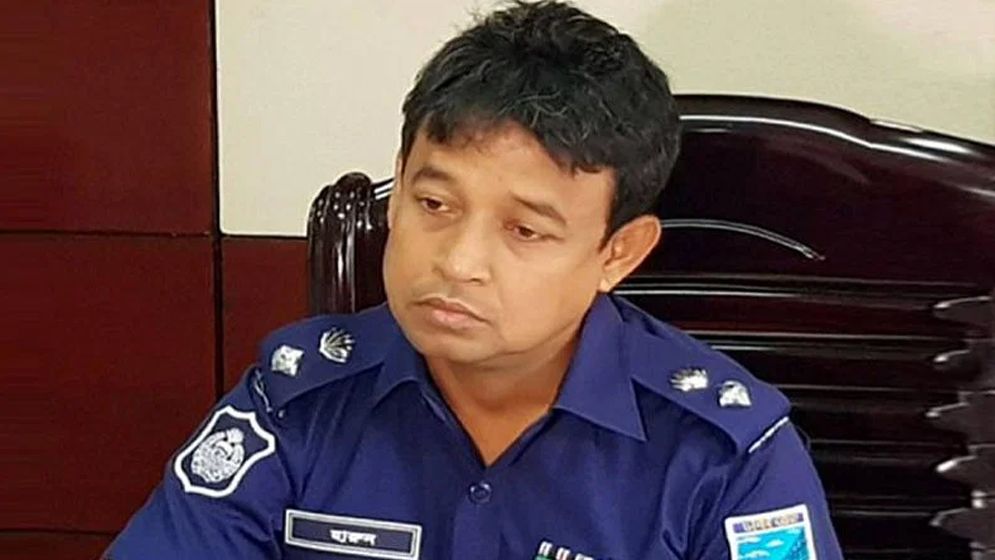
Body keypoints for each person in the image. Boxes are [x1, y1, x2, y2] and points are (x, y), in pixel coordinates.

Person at [106, 1, 843, 558]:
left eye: (524, 231)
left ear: (618, 254)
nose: (458, 262)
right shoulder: (294, 404)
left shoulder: (725, 454)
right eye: (434, 205)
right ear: (397, 186)